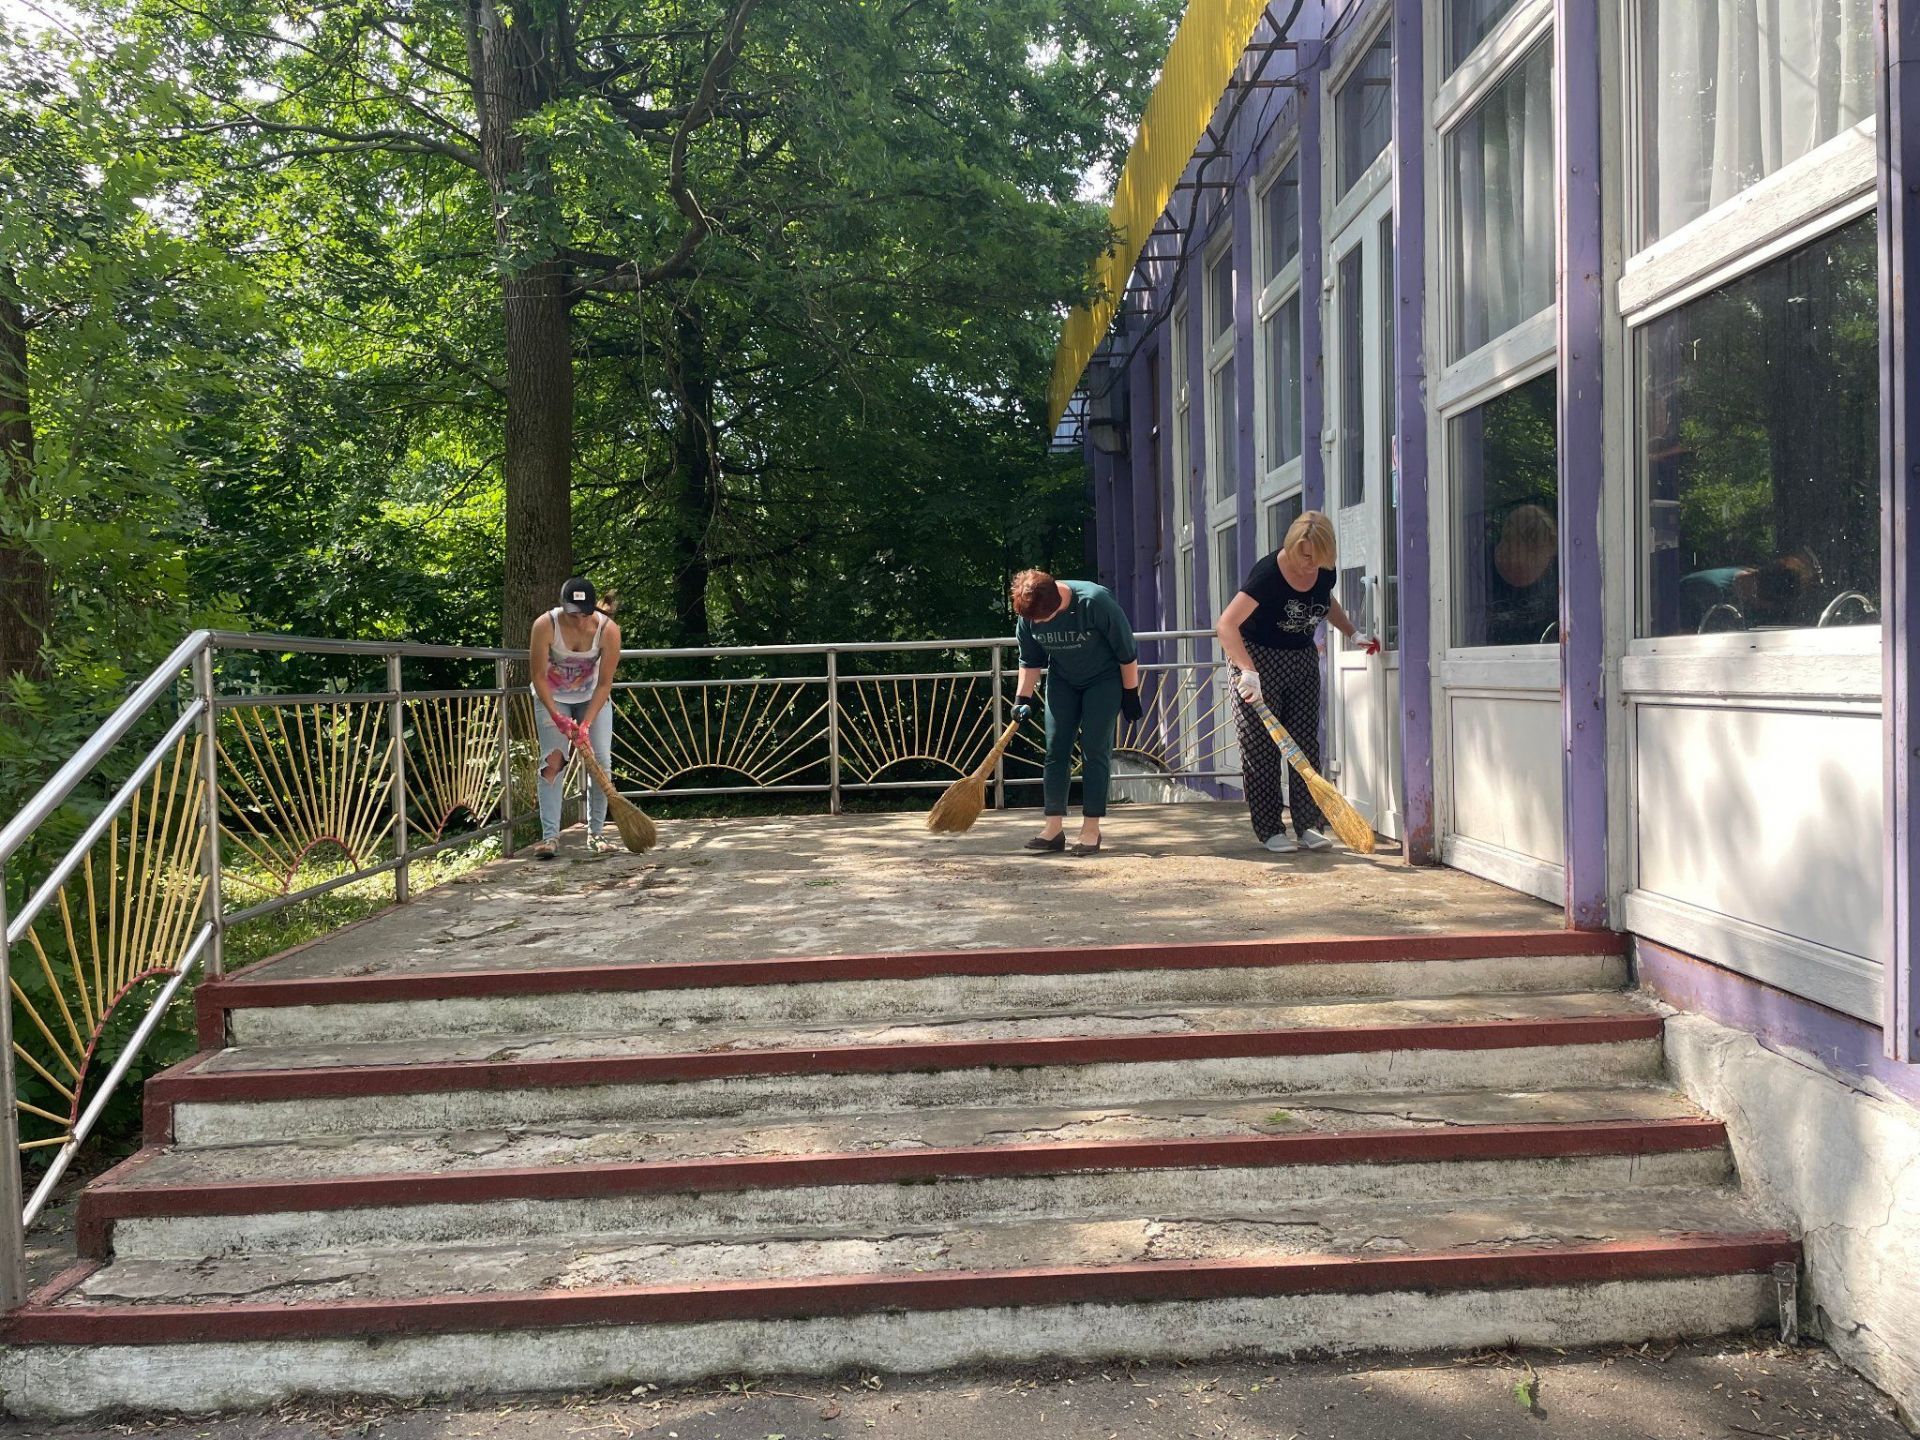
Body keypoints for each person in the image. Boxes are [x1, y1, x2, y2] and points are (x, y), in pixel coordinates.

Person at [1214, 511, 1378, 853]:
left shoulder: (1324, 570)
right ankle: (1271, 830)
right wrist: (1247, 670)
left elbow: (1324, 602)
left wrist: (1353, 633)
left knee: (1304, 745)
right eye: (1304, 556)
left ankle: (1309, 826)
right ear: (1291, 545)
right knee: (1261, 748)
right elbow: (1226, 624)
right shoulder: (1267, 576)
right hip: (1256, 660)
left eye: (1317, 558)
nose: (1309, 564)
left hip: (1300, 659)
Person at [1009, 569, 1142, 856]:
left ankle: (1091, 829)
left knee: (1094, 749)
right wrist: (1022, 698)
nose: (1037, 624)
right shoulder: (1029, 613)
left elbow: (1126, 652)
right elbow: (1030, 661)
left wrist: (1131, 694)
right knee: (1055, 749)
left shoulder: (1095, 602)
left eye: (1043, 618)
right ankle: (1053, 828)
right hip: (1063, 681)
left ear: (1057, 602)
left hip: (1104, 680)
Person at [528, 576, 622, 859]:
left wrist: (586, 724)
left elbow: (605, 683)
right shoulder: (545, 625)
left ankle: (596, 834)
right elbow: (538, 676)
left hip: (592, 697)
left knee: (600, 761)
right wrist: (557, 717)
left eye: (584, 613)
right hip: (552, 698)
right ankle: (550, 837)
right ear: (562, 606)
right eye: (573, 613)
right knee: (553, 761)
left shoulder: (608, 630)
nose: (579, 619)